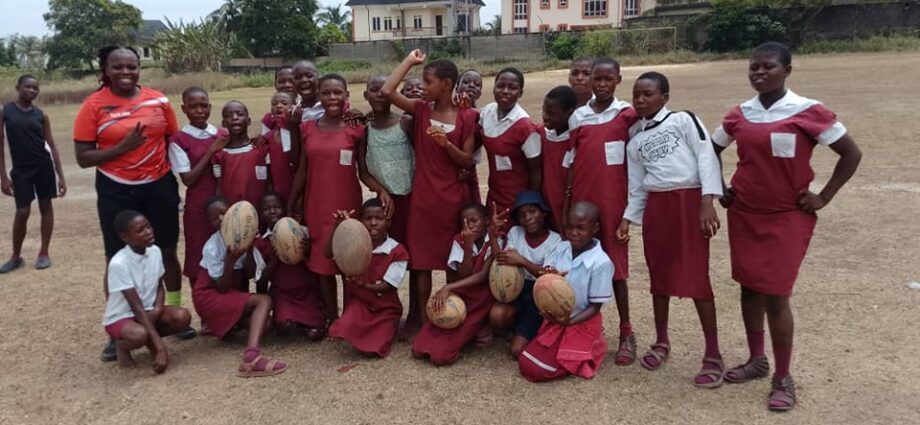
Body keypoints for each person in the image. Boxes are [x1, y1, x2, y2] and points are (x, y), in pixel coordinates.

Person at [711, 42, 862, 411]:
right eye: (753, 68)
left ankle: (783, 376)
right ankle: (756, 360)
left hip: (786, 217)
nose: (759, 73)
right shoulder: (740, 114)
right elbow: (710, 149)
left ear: (787, 71)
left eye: (768, 67)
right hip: (745, 213)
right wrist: (721, 188)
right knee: (748, 288)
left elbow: (851, 153)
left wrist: (822, 197)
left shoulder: (807, 111)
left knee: (776, 295)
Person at [73, 45, 194, 362]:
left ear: (140, 69)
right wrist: (122, 147)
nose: (126, 72)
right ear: (106, 70)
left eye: (132, 66)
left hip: (158, 185)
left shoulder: (158, 100)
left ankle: (174, 310)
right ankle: (116, 331)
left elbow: (172, 139)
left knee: (166, 250)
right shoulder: (94, 106)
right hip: (117, 188)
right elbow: (83, 157)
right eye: (118, 67)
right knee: (116, 256)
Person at [618, 72, 725, 388]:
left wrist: (708, 200)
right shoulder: (635, 137)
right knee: (659, 277)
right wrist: (628, 218)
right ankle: (661, 341)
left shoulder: (682, 120)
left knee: (697, 279)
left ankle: (713, 354)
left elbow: (706, 156)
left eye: (648, 94)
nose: (640, 100)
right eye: (636, 94)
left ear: (664, 97)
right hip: (657, 208)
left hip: (688, 201)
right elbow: (637, 185)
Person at [380, 50, 479, 338]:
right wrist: (410, 61)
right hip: (423, 200)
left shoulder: (467, 115)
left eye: (428, 81)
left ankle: (449, 317)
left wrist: (446, 144)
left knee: (451, 263)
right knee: (421, 264)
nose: (424, 87)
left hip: (452, 201)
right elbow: (388, 91)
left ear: (446, 84)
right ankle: (424, 322)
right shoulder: (422, 110)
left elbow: (468, 161)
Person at [565, 57, 639, 366]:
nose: (602, 84)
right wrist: (567, 205)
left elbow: (636, 165)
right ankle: (580, 325)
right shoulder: (578, 116)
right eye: (597, 78)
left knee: (616, 270)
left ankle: (626, 332)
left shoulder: (627, 116)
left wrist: (629, 214)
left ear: (618, 80)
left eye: (609, 79)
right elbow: (571, 161)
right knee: (577, 269)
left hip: (613, 204)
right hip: (583, 206)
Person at [289, 74, 365, 330]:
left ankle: (351, 316)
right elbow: (302, 169)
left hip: (347, 202)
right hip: (317, 203)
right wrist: (293, 202)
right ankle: (332, 317)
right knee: (322, 264)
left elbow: (363, 170)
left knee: (348, 259)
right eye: (327, 93)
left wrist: (381, 191)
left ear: (346, 95)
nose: (332, 97)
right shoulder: (307, 128)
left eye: (337, 93)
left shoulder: (357, 127)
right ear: (319, 97)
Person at [518, 202, 612, 382]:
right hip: (556, 319)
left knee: (539, 370)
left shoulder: (601, 263)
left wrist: (569, 321)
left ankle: (594, 345)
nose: (573, 233)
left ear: (595, 228)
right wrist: (549, 277)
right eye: (569, 227)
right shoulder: (560, 248)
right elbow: (545, 278)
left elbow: (595, 307)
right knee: (526, 362)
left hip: (580, 321)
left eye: (581, 228)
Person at [194, 196, 287, 378]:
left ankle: (230, 327)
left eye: (223, 213)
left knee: (265, 324)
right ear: (209, 222)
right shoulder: (212, 247)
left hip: (229, 293)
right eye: (215, 217)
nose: (221, 219)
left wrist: (250, 249)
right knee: (264, 300)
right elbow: (221, 287)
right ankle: (251, 357)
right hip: (209, 295)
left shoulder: (242, 236)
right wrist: (230, 262)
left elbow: (252, 275)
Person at [102, 210, 192, 373]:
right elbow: (136, 307)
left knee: (182, 318)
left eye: (148, 226)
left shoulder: (155, 251)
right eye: (140, 230)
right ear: (125, 238)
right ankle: (121, 346)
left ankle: (149, 339)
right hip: (123, 316)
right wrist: (161, 349)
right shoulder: (119, 263)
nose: (148, 232)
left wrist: (157, 308)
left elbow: (159, 285)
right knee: (138, 335)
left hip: (148, 311)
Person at [411, 203, 498, 365]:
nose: (469, 225)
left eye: (474, 220)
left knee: (440, 357)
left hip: (481, 301)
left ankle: (478, 329)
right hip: (462, 296)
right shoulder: (460, 240)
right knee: (418, 349)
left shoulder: (495, 239)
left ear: (486, 221)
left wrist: (448, 287)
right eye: (465, 222)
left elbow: (482, 276)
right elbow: (463, 275)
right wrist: (468, 247)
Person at [0, 74, 66, 273]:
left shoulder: (40, 115)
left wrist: (60, 176)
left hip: (43, 166)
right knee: (22, 212)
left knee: (46, 206)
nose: (32, 91)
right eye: (28, 87)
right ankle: (15, 256)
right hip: (21, 170)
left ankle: (44, 253)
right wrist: (3, 177)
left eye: (35, 88)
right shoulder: (5, 111)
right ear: (18, 87)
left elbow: (52, 146)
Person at [327, 199, 410, 357]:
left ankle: (385, 329)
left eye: (379, 218)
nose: (373, 223)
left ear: (388, 222)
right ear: (360, 221)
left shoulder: (397, 251)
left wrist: (364, 285)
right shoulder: (354, 244)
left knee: (373, 349)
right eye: (368, 218)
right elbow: (327, 253)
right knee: (345, 325)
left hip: (385, 309)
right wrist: (337, 226)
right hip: (360, 305)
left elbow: (389, 286)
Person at [168, 86, 226, 287]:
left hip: (224, 204)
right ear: (184, 109)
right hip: (199, 207)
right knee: (198, 256)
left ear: (210, 107)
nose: (199, 111)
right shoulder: (179, 140)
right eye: (193, 107)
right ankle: (203, 306)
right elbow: (189, 179)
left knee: (228, 255)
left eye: (203, 106)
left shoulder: (221, 134)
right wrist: (210, 151)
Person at [493, 191, 562, 357]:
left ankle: (531, 332)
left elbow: (548, 276)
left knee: (517, 351)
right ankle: (517, 329)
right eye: (522, 215)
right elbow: (501, 260)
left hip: (538, 295)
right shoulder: (515, 233)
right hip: (517, 289)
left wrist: (523, 261)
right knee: (497, 315)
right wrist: (492, 233)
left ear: (543, 213)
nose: (528, 218)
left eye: (532, 211)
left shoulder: (556, 240)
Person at [252, 192, 325, 339]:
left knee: (315, 332)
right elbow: (260, 281)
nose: (272, 211)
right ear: (261, 214)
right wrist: (272, 261)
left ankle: (316, 321)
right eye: (267, 208)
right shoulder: (261, 243)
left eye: (276, 207)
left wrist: (306, 252)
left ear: (284, 210)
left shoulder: (301, 232)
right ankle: (291, 320)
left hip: (307, 291)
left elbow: (317, 265)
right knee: (286, 325)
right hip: (283, 294)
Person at [478, 68, 542, 216]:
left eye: (512, 88)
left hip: (519, 199)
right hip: (495, 193)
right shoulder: (487, 112)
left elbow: (536, 169)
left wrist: (532, 202)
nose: (505, 91)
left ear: (520, 93)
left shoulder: (525, 127)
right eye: (500, 86)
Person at [360, 75, 414, 244]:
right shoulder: (364, 129)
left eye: (384, 91)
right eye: (374, 90)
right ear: (365, 95)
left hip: (414, 199)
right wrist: (382, 191)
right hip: (386, 204)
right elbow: (363, 172)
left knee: (415, 256)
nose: (379, 95)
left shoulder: (405, 123)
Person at [212, 101, 271, 207]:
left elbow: (270, 182)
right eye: (229, 115)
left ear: (248, 121)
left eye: (240, 114)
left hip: (259, 212)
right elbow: (218, 186)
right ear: (223, 123)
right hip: (233, 213)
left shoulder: (261, 149)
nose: (235, 117)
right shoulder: (219, 155)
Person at [539, 86, 578, 232]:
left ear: (569, 113)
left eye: (552, 113)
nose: (545, 116)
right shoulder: (542, 134)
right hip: (547, 204)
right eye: (544, 110)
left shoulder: (575, 140)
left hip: (567, 206)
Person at [262, 92, 298, 203]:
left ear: (293, 107)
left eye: (284, 103)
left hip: (297, 191)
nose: (278, 106)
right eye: (274, 103)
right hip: (278, 192)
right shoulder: (269, 136)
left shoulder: (298, 131)